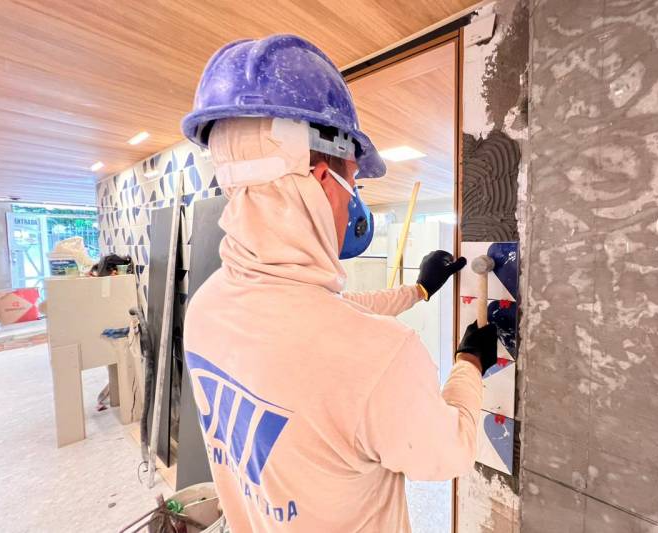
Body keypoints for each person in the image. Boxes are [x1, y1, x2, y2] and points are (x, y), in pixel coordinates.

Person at [181, 35, 498, 532]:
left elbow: (332, 316)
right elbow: (450, 453)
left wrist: (417, 291)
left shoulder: (207, 305)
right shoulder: (379, 355)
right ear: (324, 179)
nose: (356, 201)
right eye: (356, 182)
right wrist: (470, 364)